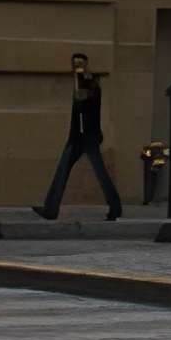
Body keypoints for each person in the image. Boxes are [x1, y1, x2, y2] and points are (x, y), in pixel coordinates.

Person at [35, 52, 124, 221]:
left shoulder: (90, 82)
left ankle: (115, 208)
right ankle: (50, 209)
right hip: (76, 136)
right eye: (75, 64)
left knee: (101, 173)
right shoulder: (81, 81)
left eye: (80, 64)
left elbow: (83, 97)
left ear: (86, 64)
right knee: (62, 171)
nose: (77, 67)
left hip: (88, 136)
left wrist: (80, 78)